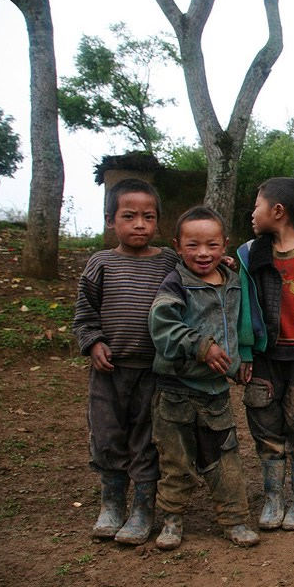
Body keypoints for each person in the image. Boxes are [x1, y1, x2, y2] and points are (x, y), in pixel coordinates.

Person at [73, 178, 177, 544]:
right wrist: (93, 342)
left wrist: (222, 262)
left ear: (158, 223)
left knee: (146, 439)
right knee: (107, 435)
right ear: (109, 220)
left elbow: (199, 278)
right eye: (129, 216)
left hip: (154, 371)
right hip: (109, 372)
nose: (139, 224)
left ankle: (142, 508)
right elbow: (85, 313)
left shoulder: (169, 261)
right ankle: (112, 502)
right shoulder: (100, 263)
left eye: (148, 217)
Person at [148, 206, 258, 550]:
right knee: (175, 460)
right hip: (175, 390)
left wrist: (240, 359)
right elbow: (161, 327)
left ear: (224, 245)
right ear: (177, 247)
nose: (203, 253)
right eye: (193, 245)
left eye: (212, 245)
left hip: (215, 392)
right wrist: (201, 347)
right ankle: (171, 520)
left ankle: (235, 519)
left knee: (225, 459)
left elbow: (239, 326)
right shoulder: (176, 283)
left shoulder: (231, 282)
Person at [236, 177, 294, 531]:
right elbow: (244, 307)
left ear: (277, 211)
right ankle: (274, 499)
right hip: (264, 358)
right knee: (265, 426)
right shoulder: (248, 255)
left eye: (257, 205)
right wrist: (245, 351)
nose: (252, 213)